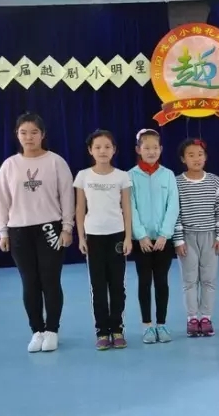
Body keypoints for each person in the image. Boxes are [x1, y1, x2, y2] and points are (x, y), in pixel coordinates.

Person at [0, 112, 74, 353]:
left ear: (43, 134)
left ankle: (52, 330)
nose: (29, 137)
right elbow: (2, 200)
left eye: (34, 132)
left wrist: (67, 227)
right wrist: (3, 231)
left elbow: (67, 196)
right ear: (17, 135)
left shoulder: (56, 162)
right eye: (23, 133)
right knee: (29, 282)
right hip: (19, 230)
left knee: (50, 280)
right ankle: (37, 331)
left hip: (50, 228)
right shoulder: (9, 165)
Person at [74, 130, 132, 350]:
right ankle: (102, 331)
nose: (102, 151)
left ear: (114, 150)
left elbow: (127, 208)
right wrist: (81, 237)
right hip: (94, 237)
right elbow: (80, 209)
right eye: (97, 147)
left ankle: (117, 329)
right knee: (98, 286)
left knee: (117, 285)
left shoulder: (122, 176)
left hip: (116, 235)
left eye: (107, 146)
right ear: (90, 150)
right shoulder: (83, 176)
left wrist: (128, 237)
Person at [174, 138, 219, 337]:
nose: (196, 158)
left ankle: (206, 317)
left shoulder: (215, 181)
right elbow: (175, 212)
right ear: (183, 159)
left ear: (205, 157)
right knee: (190, 280)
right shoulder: (177, 182)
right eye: (191, 155)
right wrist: (178, 239)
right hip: (187, 238)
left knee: (209, 280)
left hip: (210, 238)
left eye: (200, 154)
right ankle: (192, 318)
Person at [129, 129, 179, 344]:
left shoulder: (168, 175)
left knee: (162, 282)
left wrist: (164, 234)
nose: (151, 151)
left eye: (155, 147)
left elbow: (173, 205)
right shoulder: (130, 176)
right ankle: (147, 325)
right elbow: (130, 207)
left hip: (162, 241)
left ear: (161, 149)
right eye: (146, 147)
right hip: (141, 241)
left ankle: (161, 324)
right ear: (138, 149)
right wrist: (140, 235)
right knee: (144, 282)